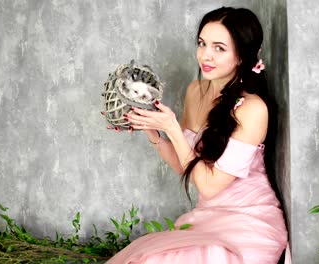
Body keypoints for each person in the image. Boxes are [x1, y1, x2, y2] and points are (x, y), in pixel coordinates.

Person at [108, 6, 290, 264]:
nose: (205, 55)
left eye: (219, 48)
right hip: (209, 217)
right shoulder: (196, 91)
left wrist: (172, 127)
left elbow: (209, 185)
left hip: (249, 223)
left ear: (241, 56)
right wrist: (152, 130)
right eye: (202, 44)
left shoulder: (253, 109)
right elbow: (186, 165)